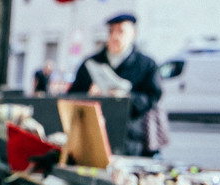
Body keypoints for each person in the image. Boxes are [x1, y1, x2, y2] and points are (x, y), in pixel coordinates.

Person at [67, 13, 162, 157]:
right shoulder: (91, 62)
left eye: (121, 31)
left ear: (133, 34)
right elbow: (73, 95)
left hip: (131, 137)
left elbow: (152, 98)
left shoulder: (146, 64)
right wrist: (89, 93)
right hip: (95, 134)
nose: (115, 36)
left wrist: (126, 98)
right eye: (112, 31)